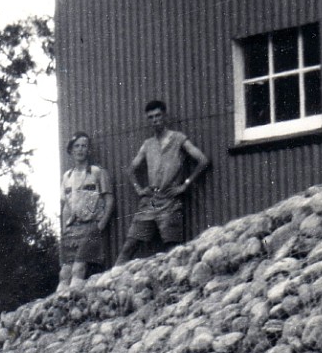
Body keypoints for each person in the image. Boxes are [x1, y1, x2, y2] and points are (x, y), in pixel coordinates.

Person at [114, 100, 209, 265]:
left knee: (172, 250)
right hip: (150, 201)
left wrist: (185, 184)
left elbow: (203, 160)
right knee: (129, 246)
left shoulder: (178, 139)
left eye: (158, 115)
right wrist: (139, 189)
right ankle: (110, 282)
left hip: (170, 201)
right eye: (150, 117)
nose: (155, 120)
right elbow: (130, 169)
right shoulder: (148, 144)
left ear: (164, 116)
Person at [57, 133, 113, 293]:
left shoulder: (97, 172)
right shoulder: (66, 176)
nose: (80, 149)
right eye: (77, 146)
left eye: (84, 146)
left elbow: (109, 199)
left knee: (78, 269)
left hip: (90, 226)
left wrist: (101, 225)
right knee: (64, 273)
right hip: (71, 229)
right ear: (71, 150)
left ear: (89, 150)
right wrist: (64, 230)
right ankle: (60, 306)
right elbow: (66, 206)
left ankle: (73, 302)